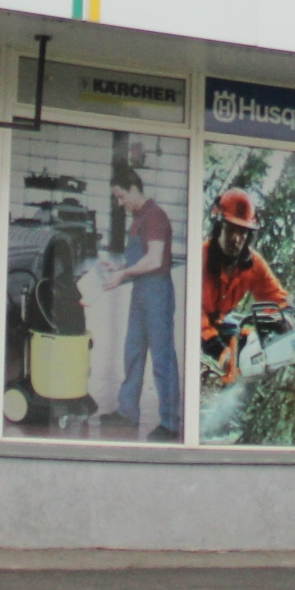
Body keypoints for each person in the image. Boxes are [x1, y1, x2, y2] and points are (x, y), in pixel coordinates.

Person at [100, 165, 179, 440]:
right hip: (141, 292)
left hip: (157, 293)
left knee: (162, 358)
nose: (120, 203)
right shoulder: (139, 218)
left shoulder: (154, 216)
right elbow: (140, 258)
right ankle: (127, 411)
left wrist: (124, 274)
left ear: (133, 189)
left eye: (121, 197)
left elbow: (154, 260)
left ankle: (170, 422)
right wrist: (120, 266)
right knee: (133, 352)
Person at [200, 186, 290, 374]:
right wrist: (220, 352)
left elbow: (276, 297)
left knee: (247, 339)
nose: (236, 238)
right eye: (230, 230)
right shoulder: (201, 257)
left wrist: (285, 316)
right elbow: (190, 313)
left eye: (242, 232)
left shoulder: (252, 264)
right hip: (194, 324)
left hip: (221, 322)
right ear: (219, 227)